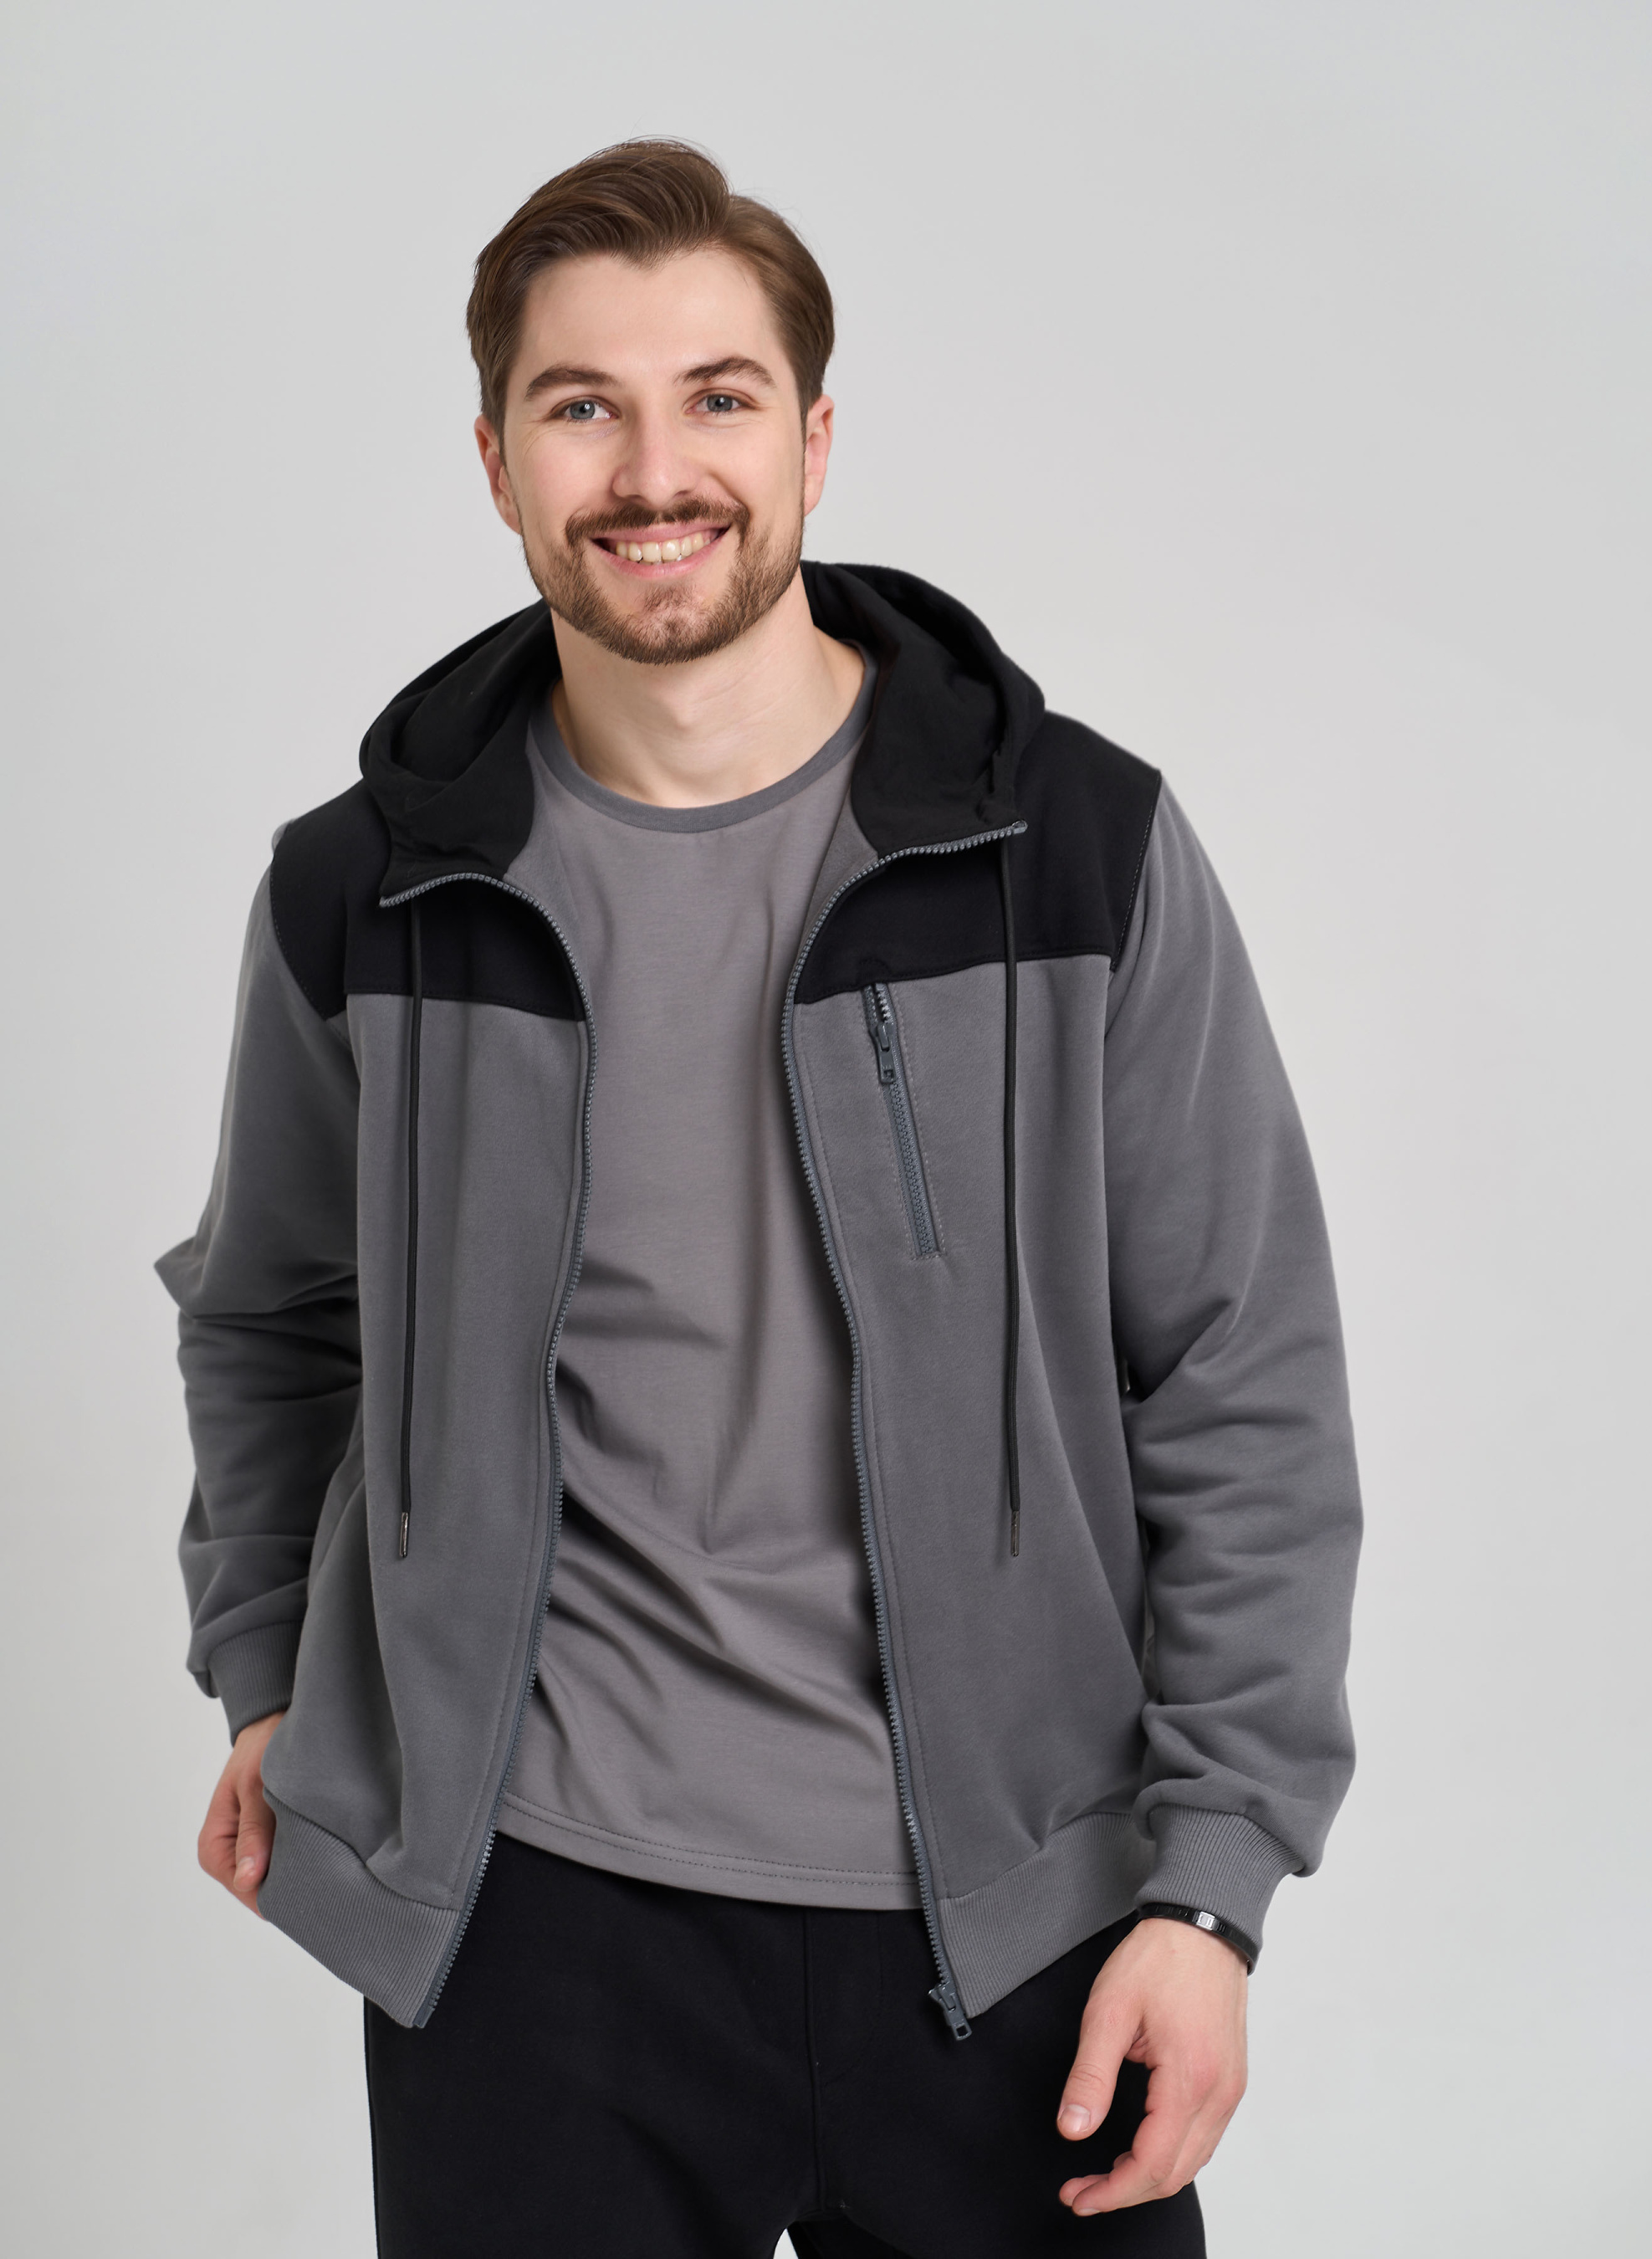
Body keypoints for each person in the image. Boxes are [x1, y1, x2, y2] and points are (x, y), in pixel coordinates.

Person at [161, 139, 1362, 2259]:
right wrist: (270, 1671)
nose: (654, 472)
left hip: (1020, 1920)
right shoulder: (365, 891)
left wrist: (1208, 1892)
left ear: (809, 438)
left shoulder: (1074, 852)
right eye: (581, 405)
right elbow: (270, 1313)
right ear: (495, 461)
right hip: (534, 1935)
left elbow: (1238, 1373)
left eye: (715, 397)